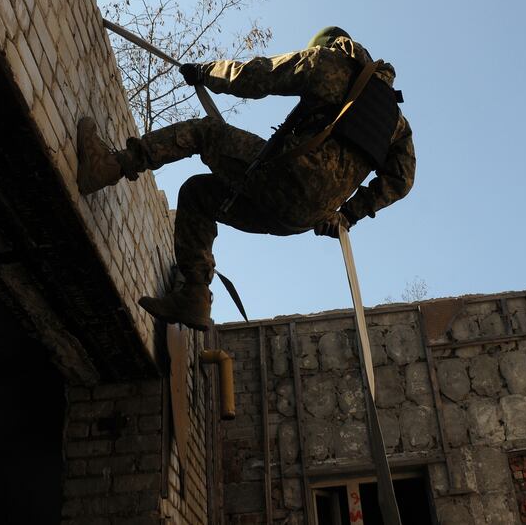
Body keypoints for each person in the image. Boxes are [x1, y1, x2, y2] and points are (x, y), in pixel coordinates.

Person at [76, 26, 416, 331]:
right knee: (198, 194)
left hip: (284, 177)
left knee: (205, 132)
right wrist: (348, 214)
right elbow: (402, 180)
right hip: (299, 219)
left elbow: (258, 76)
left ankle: (111, 166)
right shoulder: (396, 124)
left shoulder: (329, 62)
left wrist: (206, 73)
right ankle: (194, 295)